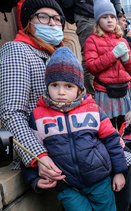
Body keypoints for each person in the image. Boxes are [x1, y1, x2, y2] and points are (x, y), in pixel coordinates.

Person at [24, 46, 128, 211]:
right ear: (47, 86)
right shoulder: (38, 116)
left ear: (79, 87)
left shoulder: (93, 109)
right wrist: (33, 180)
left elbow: (112, 141)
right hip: (67, 186)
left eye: (68, 86)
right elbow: (30, 151)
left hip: (99, 181)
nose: (61, 92)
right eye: (54, 85)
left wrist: (119, 171)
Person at [0, 0, 68, 182]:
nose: (52, 23)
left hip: (74, 138)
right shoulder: (17, 50)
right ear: (29, 23)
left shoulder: (60, 53)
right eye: (43, 17)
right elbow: (11, 112)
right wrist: (39, 155)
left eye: (56, 18)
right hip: (46, 144)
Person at [84, 0, 131, 130]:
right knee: (108, 128)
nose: (109, 20)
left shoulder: (122, 40)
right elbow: (91, 66)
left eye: (112, 17)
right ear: (98, 21)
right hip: (105, 91)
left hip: (124, 90)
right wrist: (113, 55)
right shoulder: (92, 40)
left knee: (127, 126)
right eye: (105, 17)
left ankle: (128, 149)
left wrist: (125, 58)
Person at [57, 0, 122, 97]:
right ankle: (92, 97)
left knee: (109, 53)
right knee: (90, 57)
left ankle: (103, 95)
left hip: (104, 11)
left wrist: (117, 10)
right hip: (86, 13)